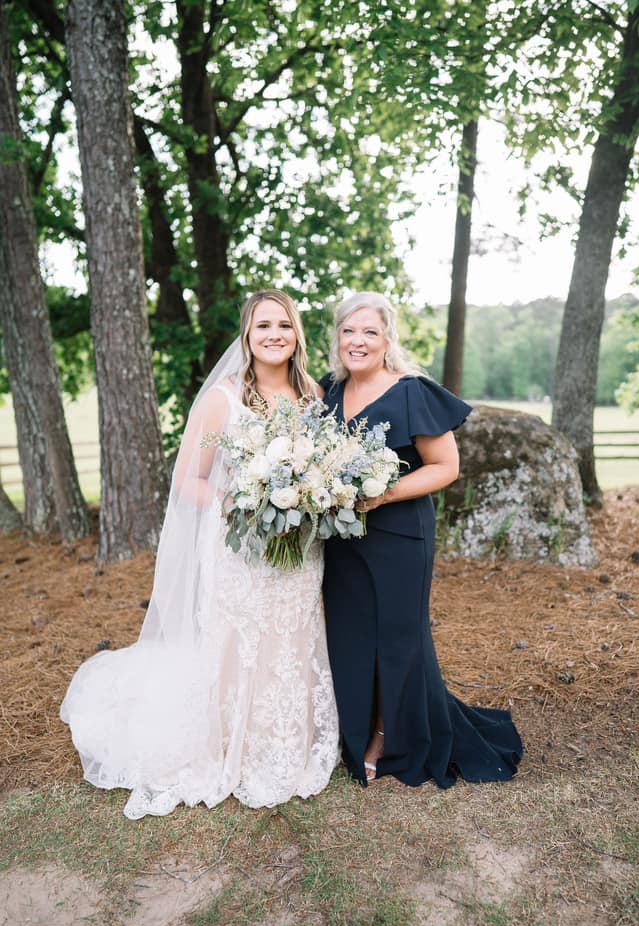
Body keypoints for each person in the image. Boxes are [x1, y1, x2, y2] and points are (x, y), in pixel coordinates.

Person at [61, 290, 340, 819]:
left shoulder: (315, 397)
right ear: (247, 336)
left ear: (297, 334)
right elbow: (189, 479)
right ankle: (227, 745)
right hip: (239, 549)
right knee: (237, 643)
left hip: (299, 550)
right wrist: (239, 502)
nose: (275, 334)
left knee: (291, 637)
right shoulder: (223, 399)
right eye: (263, 325)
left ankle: (286, 741)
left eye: (284, 324)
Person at [321, 291, 522, 787]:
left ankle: (388, 737)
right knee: (349, 634)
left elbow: (446, 467)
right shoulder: (327, 391)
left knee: (397, 638)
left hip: (399, 535)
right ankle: (352, 728)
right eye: (349, 331)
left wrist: (383, 494)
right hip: (342, 539)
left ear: (387, 339)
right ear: (337, 337)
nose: (358, 341)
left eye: (370, 331)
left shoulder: (411, 392)